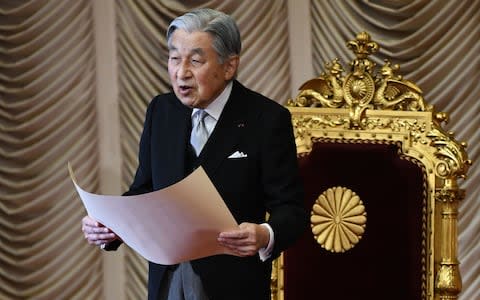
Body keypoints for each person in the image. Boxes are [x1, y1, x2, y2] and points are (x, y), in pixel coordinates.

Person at [81, 8, 307, 300]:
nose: (181, 72)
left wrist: (264, 234)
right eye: (174, 58)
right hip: (167, 281)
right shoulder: (161, 111)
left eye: (196, 60)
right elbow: (145, 190)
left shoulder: (266, 119)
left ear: (229, 66)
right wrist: (110, 224)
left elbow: (292, 211)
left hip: (232, 285)